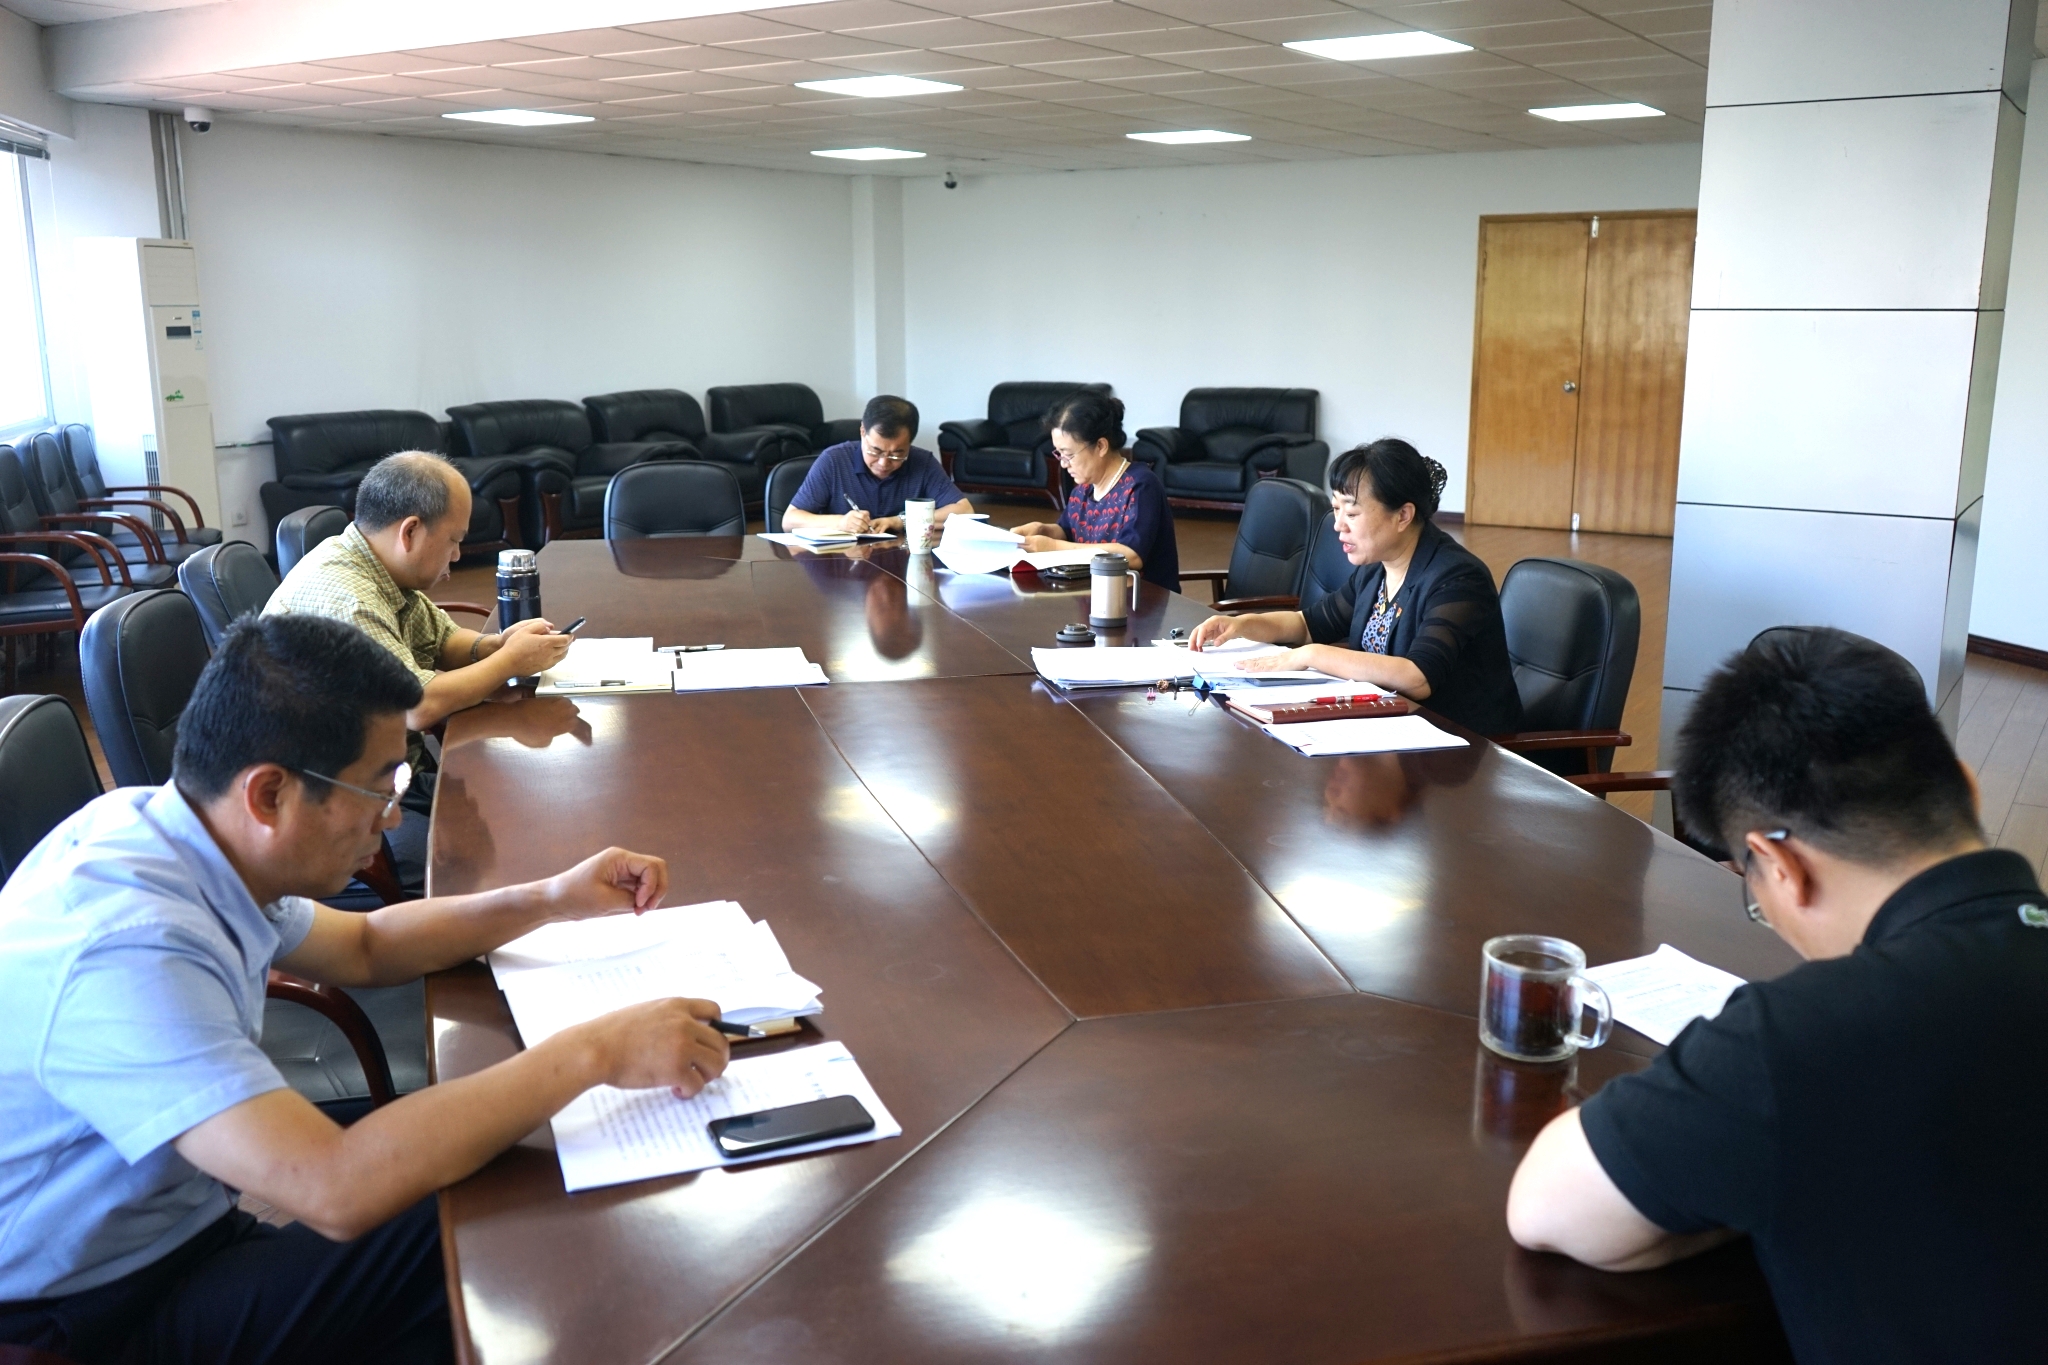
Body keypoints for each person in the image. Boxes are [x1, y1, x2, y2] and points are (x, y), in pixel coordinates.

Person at [0, 613, 729, 1365]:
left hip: (168, 1226)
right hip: (89, 1317)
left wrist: (552, 897)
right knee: (484, 1225)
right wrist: (595, 1051)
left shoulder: (178, 828)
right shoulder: (125, 949)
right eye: (380, 787)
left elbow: (367, 944)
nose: (392, 815)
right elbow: (334, 1185)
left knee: (501, 1183)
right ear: (270, 795)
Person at [1505, 627, 2048, 1364]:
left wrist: (1770, 1177)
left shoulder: (1801, 1038)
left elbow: (1544, 1206)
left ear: (1779, 864)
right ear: (1966, 786)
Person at [265, 452, 573, 889]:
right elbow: (418, 706)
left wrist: (497, 645)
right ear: (410, 531)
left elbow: (444, 641)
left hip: (389, 777)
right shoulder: (346, 596)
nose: (458, 554)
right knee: (481, 869)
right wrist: (510, 662)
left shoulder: (377, 564)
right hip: (333, 808)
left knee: (527, 813)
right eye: (453, 540)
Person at [1189, 439, 1521, 734]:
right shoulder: (1376, 568)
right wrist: (1241, 625)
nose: (1338, 525)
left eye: (1352, 512)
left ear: (1403, 515)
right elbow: (1308, 625)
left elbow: (1417, 677)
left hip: (1461, 747)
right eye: (1336, 509)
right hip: (1390, 727)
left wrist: (1312, 655)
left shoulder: (1458, 577)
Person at [1012, 390, 1180, 591]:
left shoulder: (1141, 485)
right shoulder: (1083, 489)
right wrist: (1043, 530)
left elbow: (1131, 555)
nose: (1063, 464)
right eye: (1059, 454)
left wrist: (1053, 547)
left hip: (1143, 600)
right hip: (1095, 596)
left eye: (1068, 454)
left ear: (1100, 446)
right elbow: (1067, 531)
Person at [782, 395, 972, 535]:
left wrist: (899, 521)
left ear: (910, 443)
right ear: (862, 432)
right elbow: (790, 520)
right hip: (843, 566)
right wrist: (840, 523)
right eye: (875, 451)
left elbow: (964, 511)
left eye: (897, 454)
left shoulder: (923, 462)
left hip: (901, 565)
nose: (884, 463)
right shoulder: (833, 461)